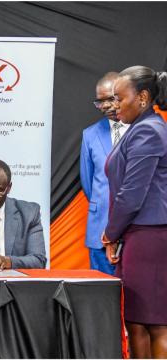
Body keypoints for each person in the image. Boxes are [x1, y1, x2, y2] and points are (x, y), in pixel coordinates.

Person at [102, 66, 167, 358]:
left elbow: (131, 196)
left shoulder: (149, 131)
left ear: (142, 97)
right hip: (139, 235)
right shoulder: (140, 129)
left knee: (157, 325)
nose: (114, 105)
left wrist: (110, 234)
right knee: (137, 323)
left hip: (151, 238)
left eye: (120, 98)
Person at [80, 72, 129, 275]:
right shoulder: (89, 135)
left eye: (111, 99)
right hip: (100, 228)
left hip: (138, 230)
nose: (106, 106)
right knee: (102, 296)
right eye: (100, 101)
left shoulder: (145, 130)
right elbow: (88, 183)